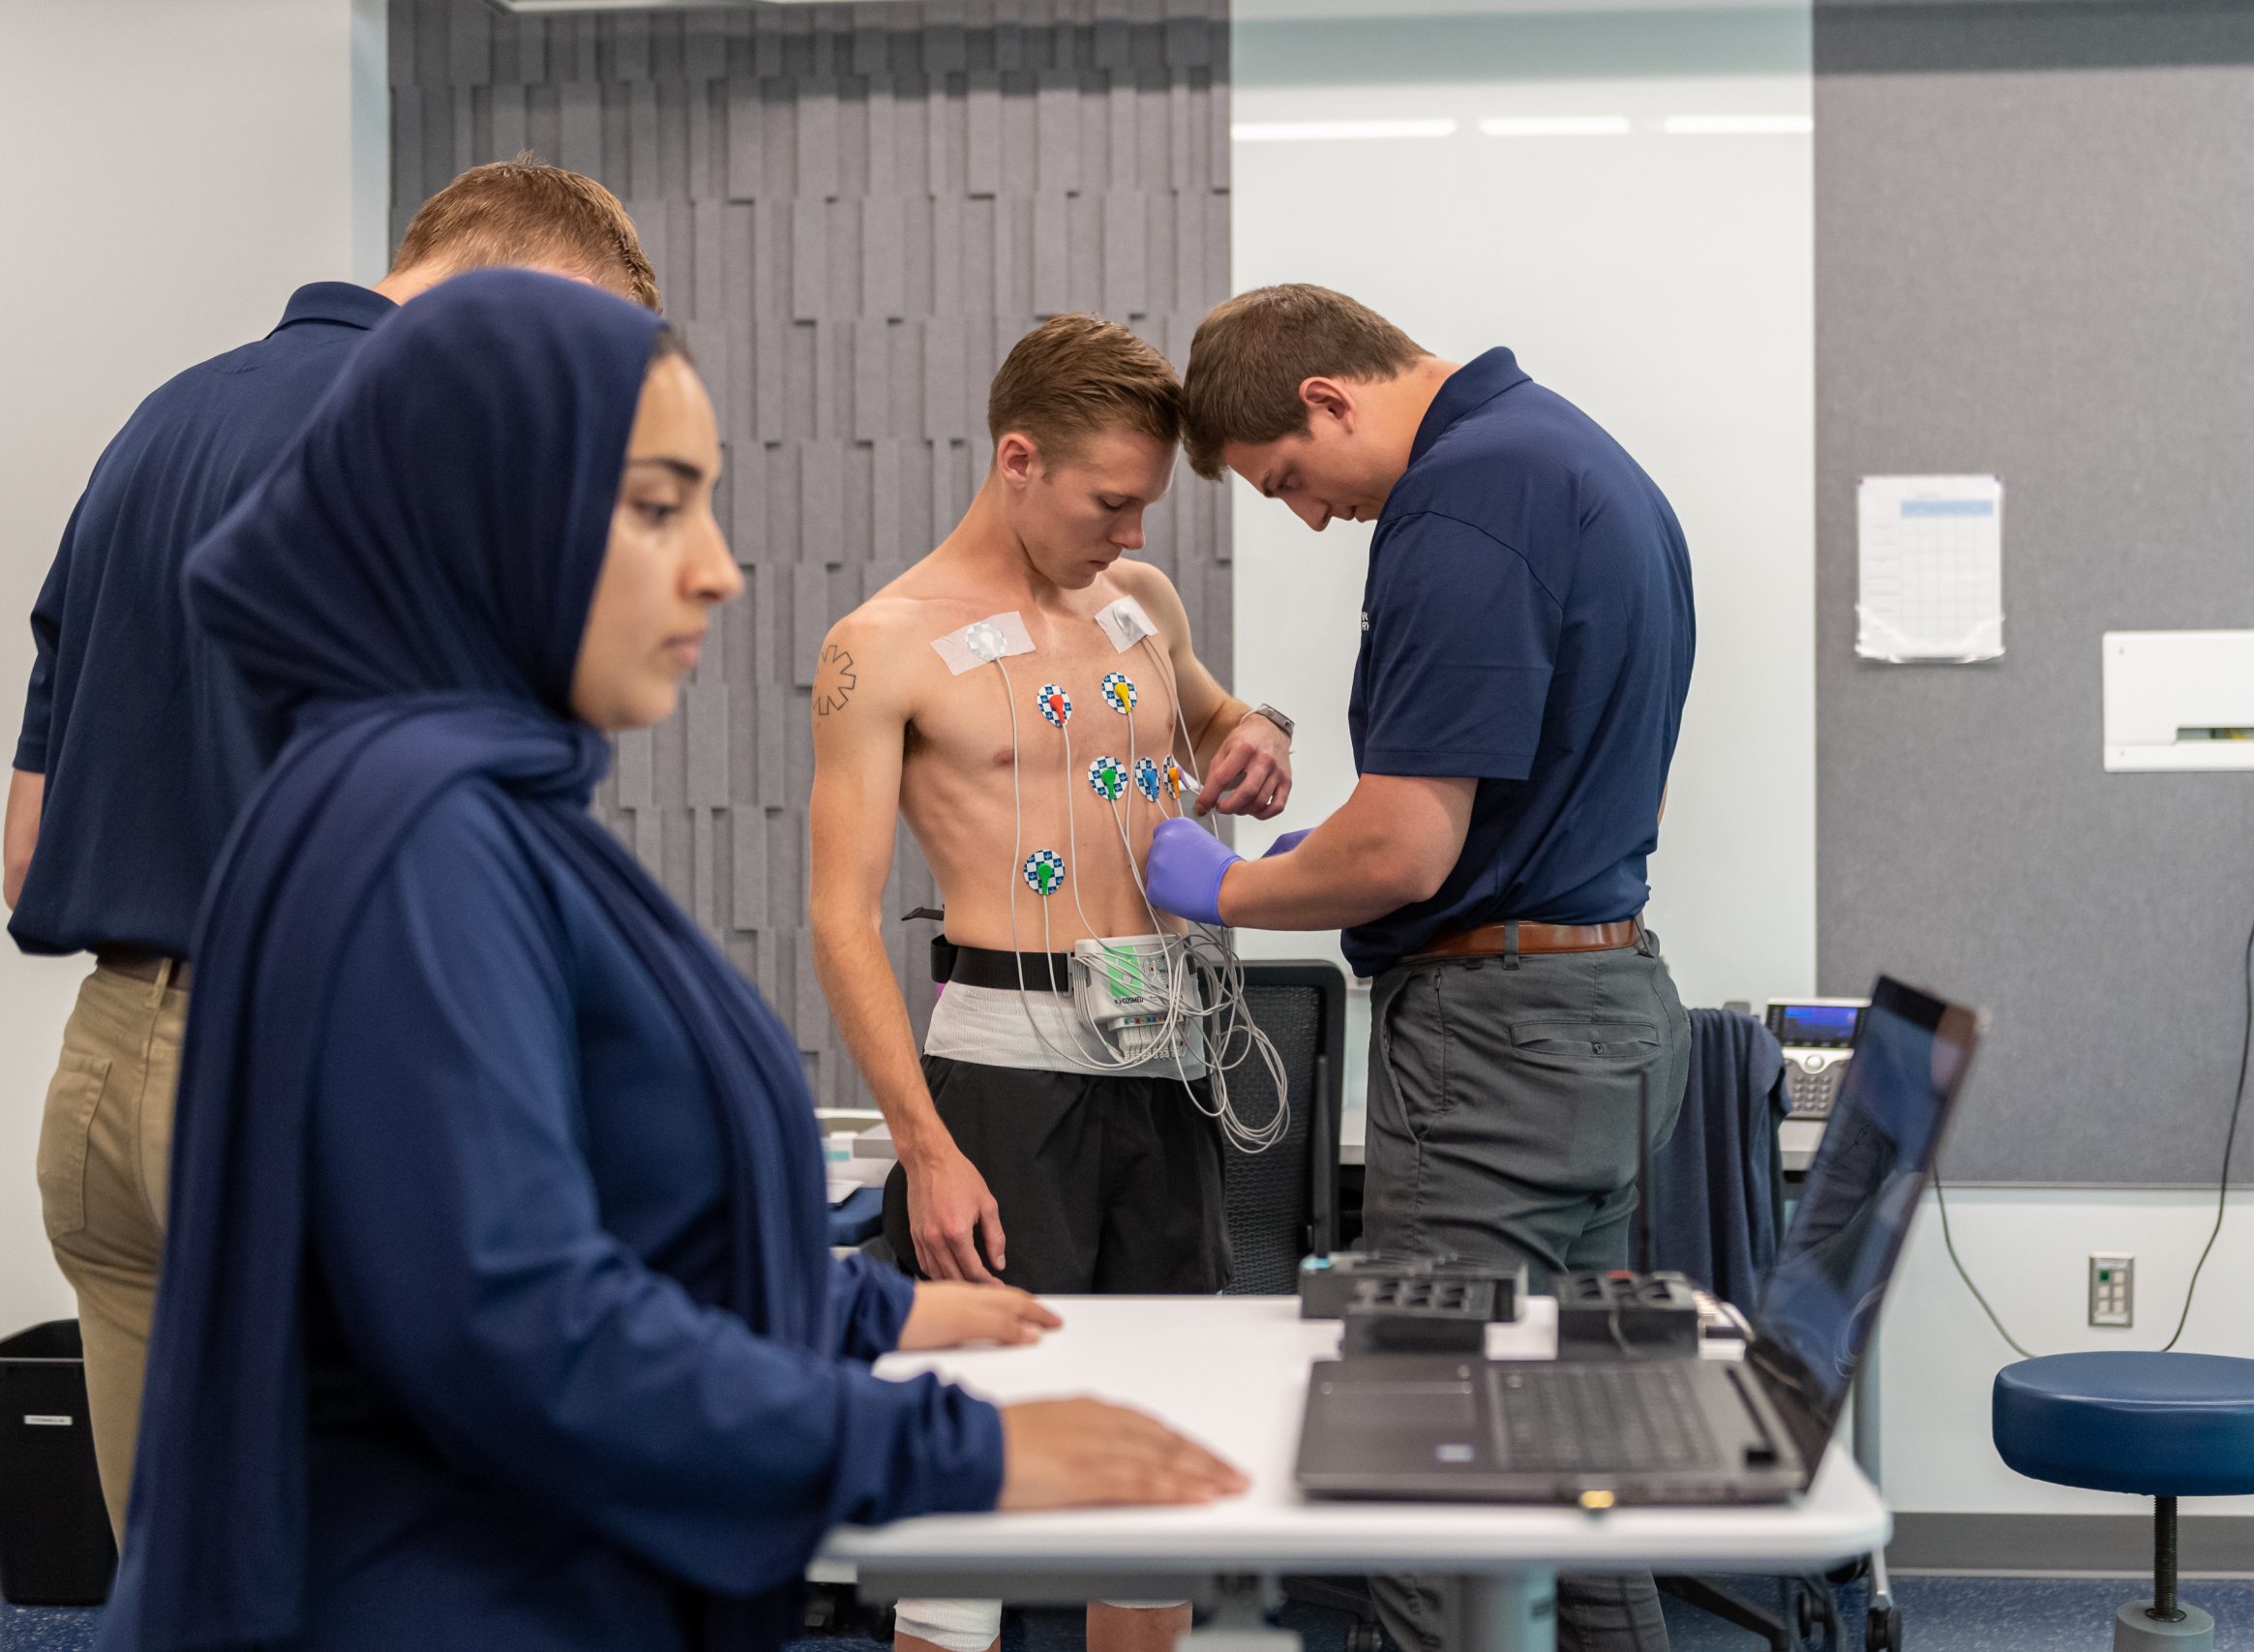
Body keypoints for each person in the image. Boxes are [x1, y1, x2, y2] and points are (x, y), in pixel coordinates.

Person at [99, 271, 1244, 1652]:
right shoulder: (418, 840)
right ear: (485, 513)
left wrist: (867, 1308)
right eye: (656, 507)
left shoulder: (476, 805)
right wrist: (957, 1453)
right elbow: (517, 1321)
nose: (716, 567)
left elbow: (591, 1222)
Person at [4, 156, 662, 1541]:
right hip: (305, 1087)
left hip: (104, 1094)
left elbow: (27, 843)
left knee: (183, 1595)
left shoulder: (158, 422)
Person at [1151, 284, 1698, 1652]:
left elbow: (1404, 849)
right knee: (1562, 1471)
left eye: (1289, 479)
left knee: (1430, 1463)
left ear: (1328, 398)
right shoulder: (1576, 457)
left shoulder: (1459, 505)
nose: (1311, 514)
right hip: (1607, 1008)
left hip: (1498, 1044)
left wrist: (1227, 884)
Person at [806, 314, 1292, 1652]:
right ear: (1018, 458)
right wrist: (925, 1144)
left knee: (1154, 1473)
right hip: (1003, 1077)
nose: (1130, 532)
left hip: (1165, 1063)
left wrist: (1260, 737)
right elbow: (839, 916)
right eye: (1110, 503)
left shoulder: (1139, 605)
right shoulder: (883, 645)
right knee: (972, 1480)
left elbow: (1217, 713)